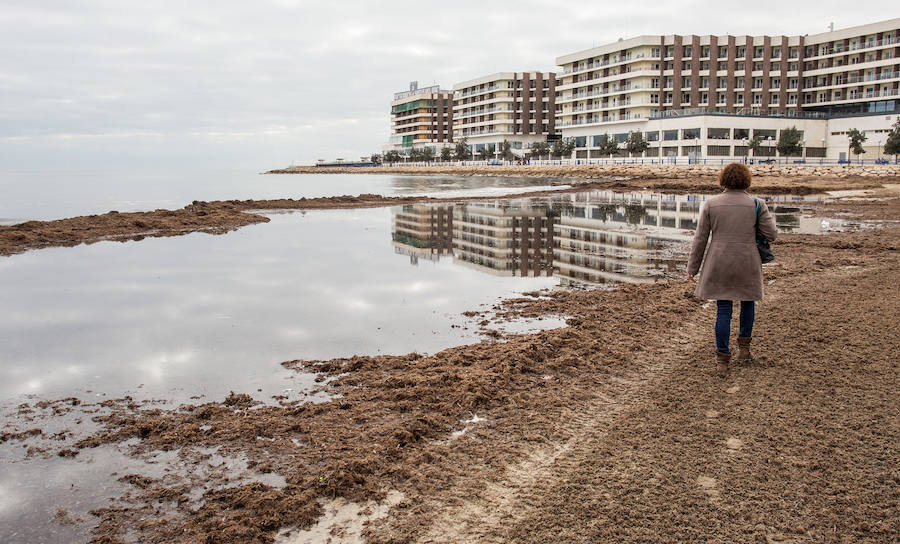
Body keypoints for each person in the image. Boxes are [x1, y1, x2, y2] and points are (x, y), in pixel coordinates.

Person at [687, 163, 778, 377]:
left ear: (723, 180)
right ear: (746, 180)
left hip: (719, 262)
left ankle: (722, 360)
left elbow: (700, 239)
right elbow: (772, 234)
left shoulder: (711, 204)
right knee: (748, 304)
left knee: (723, 310)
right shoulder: (757, 204)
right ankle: (744, 351)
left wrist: (693, 268)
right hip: (748, 261)